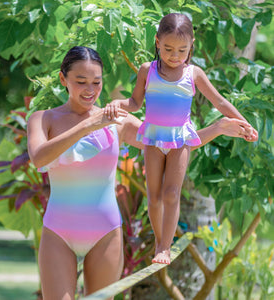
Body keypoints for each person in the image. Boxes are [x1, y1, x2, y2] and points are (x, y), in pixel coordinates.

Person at [27, 46, 257, 300]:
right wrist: (89, 124)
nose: (90, 90)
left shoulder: (119, 121)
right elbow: (39, 157)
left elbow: (171, 142)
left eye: (96, 82)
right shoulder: (43, 119)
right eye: (81, 82)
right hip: (58, 232)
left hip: (104, 232)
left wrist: (218, 127)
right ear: (63, 79)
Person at [104, 13, 258, 265]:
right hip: (153, 139)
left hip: (179, 141)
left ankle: (165, 247)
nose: (174, 55)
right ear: (156, 42)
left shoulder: (193, 74)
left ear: (191, 46)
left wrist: (244, 123)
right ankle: (158, 240)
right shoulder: (148, 70)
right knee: (153, 196)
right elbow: (134, 103)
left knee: (172, 193)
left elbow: (219, 101)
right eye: (167, 49)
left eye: (182, 50)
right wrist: (115, 103)